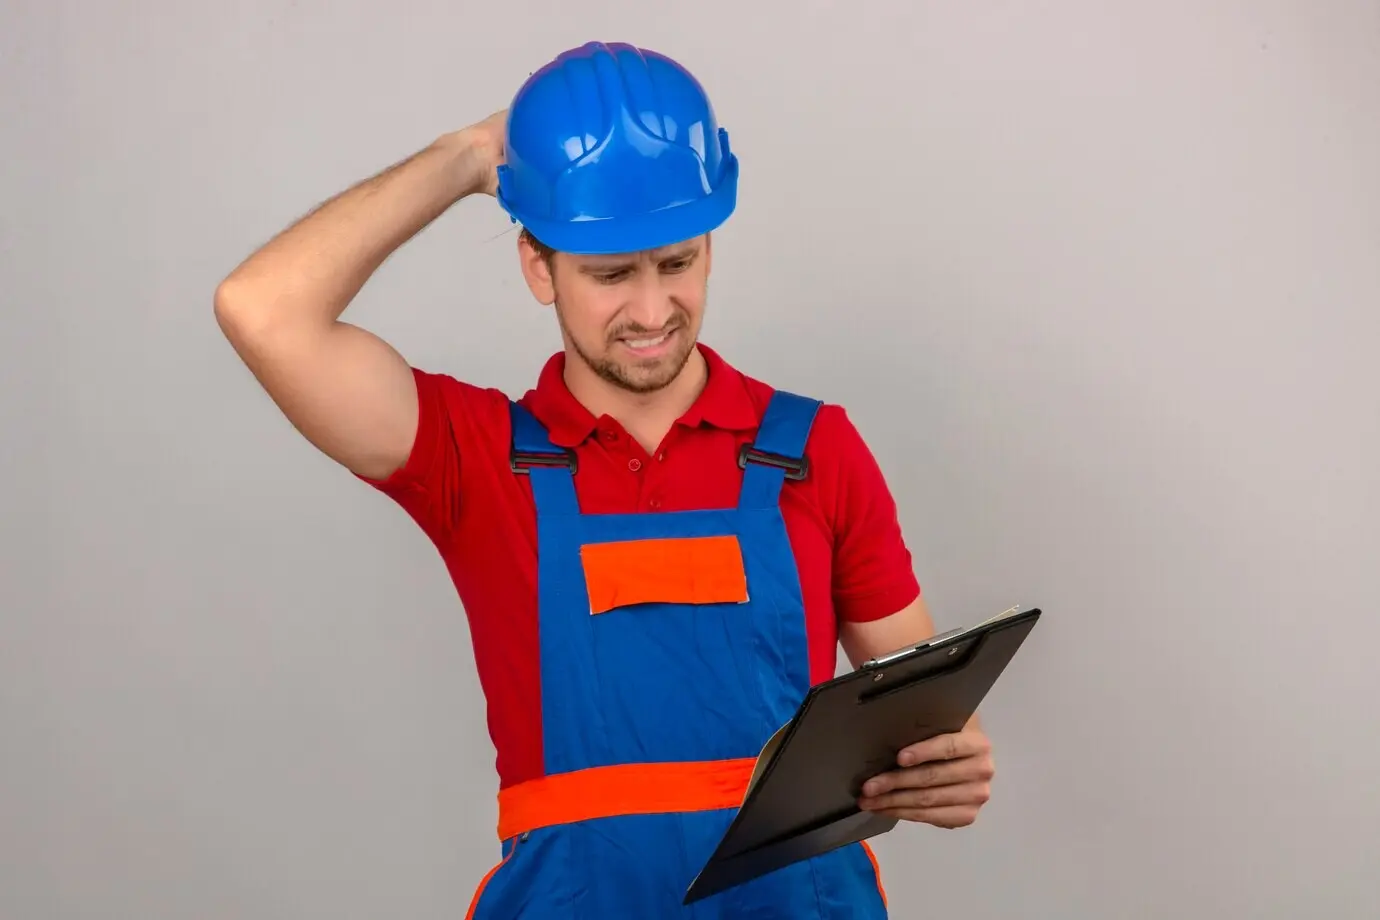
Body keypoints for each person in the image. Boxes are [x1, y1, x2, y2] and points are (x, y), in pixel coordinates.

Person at [215, 40, 996, 920]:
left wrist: (951, 770)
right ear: (536, 266)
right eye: (611, 274)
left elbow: (923, 724)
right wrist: (469, 156)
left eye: (679, 263)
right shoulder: (476, 458)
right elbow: (262, 311)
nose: (654, 312)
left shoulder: (815, 450)